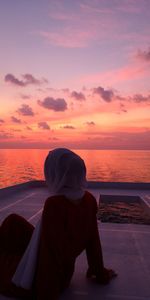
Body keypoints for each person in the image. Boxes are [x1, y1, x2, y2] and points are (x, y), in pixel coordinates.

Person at [0, 148, 117, 299]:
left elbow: (50, 254)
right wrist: (100, 272)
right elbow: (93, 242)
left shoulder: (55, 205)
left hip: (49, 279)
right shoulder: (89, 199)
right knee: (13, 222)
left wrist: (47, 294)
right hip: (62, 272)